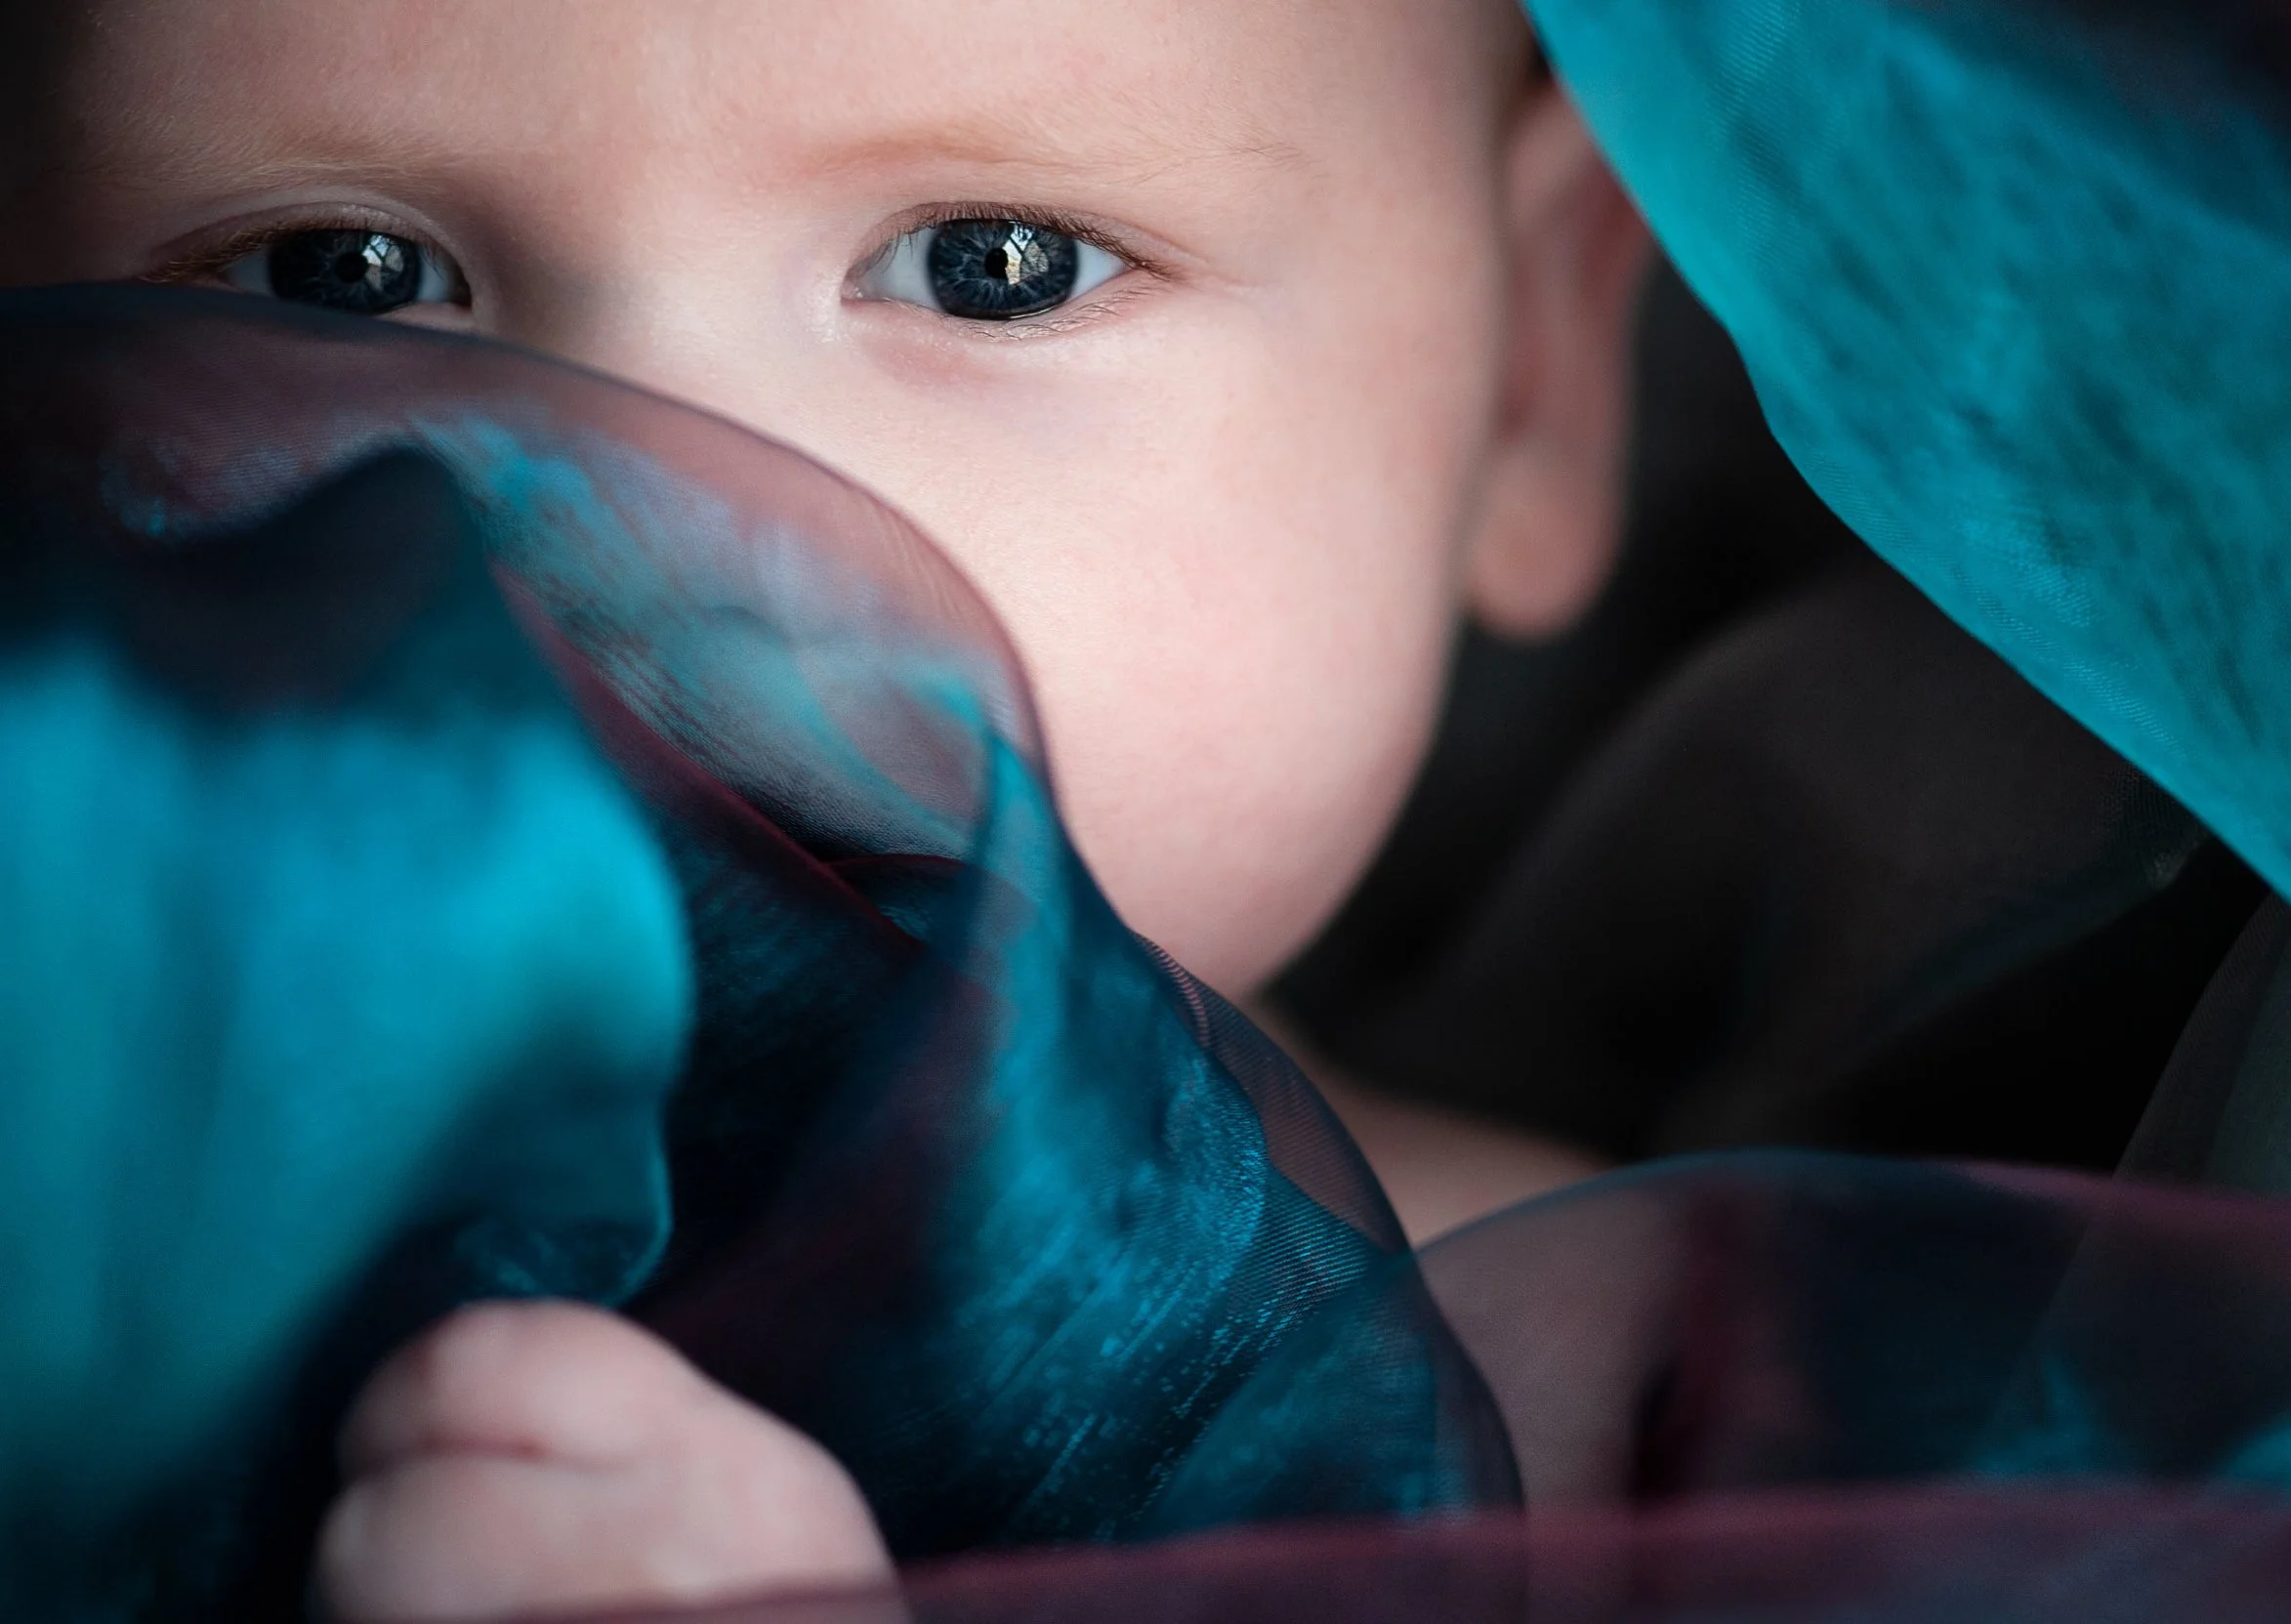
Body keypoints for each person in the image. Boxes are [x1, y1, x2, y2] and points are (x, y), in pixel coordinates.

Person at [2, 2, 1647, 1616]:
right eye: (340, 279)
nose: (649, 548)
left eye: (994, 264)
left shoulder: (1622, 1403)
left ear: (1534, 369)